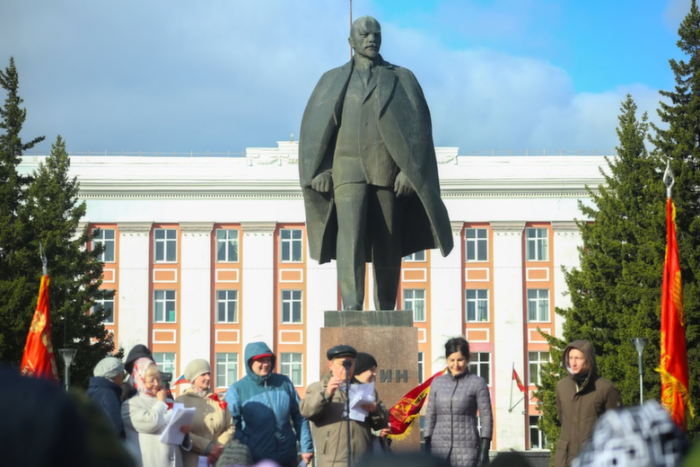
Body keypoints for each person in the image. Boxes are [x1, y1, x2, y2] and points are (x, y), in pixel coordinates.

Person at [298, 15, 453, 311]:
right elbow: (316, 130)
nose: (371, 38)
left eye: (376, 34)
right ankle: (352, 307)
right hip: (346, 169)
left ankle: (385, 308)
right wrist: (320, 170)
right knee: (350, 237)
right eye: (364, 34)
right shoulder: (331, 80)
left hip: (387, 170)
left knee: (388, 240)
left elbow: (420, 128)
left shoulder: (402, 77)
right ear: (351, 42)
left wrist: (411, 171)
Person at [225, 342, 313, 467]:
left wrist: (306, 446)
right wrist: (249, 445)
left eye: (268, 360)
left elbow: (299, 415)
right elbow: (231, 425)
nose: (266, 364)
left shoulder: (284, 383)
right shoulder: (237, 390)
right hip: (257, 460)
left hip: (287, 457)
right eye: (261, 360)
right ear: (250, 363)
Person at [300, 345, 389, 466]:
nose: (347, 368)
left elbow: (382, 424)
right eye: (343, 363)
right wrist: (326, 394)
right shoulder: (317, 388)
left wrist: (375, 410)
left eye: (351, 364)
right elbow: (306, 411)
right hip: (332, 461)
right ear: (331, 365)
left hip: (362, 460)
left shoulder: (366, 390)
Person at [424, 337, 492, 467]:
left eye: (460, 360)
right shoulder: (437, 383)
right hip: (438, 449)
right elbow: (430, 414)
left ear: (467, 359)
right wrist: (427, 442)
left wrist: (484, 449)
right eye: (452, 360)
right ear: (447, 360)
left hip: (467, 450)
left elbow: (486, 417)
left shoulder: (477, 383)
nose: (456, 364)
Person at [555, 340, 622, 467]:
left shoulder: (606, 388)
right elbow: (562, 418)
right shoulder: (561, 386)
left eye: (578, 358)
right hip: (565, 459)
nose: (573, 363)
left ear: (589, 359)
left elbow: (617, 427)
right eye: (570, 358)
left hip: (595, 459)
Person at [121, 357, 192, 467]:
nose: (156, 384)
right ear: (140, 380)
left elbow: (175, 436)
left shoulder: (168, 401)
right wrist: (161, 402)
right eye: (152, 380)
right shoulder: (130, 405)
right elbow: (152, 423)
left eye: (158, 379)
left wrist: (185, 435)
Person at [176, 359, 234, 467]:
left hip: (218, 461)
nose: (208, 378)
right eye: (203, 374)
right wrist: (207, 447)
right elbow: (180, 430)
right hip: (193, 461)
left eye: (209, 374)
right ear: (193, 378)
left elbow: (230, 427)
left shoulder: (218, 401)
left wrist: (217, 448)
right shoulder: (182, 401)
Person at [353, 352, 391, 452]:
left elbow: (381, 420)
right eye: (371, 370)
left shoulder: (372, 392)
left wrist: (375, 410)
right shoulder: (343, 390)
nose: (374, 374)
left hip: (370, 447)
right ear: (360, 370)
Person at [88, 356, 126, 438]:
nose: (123, 376)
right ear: (116, 375)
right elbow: (117, 428)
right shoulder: (108, 394)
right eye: (122, 372)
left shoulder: (92, 391)